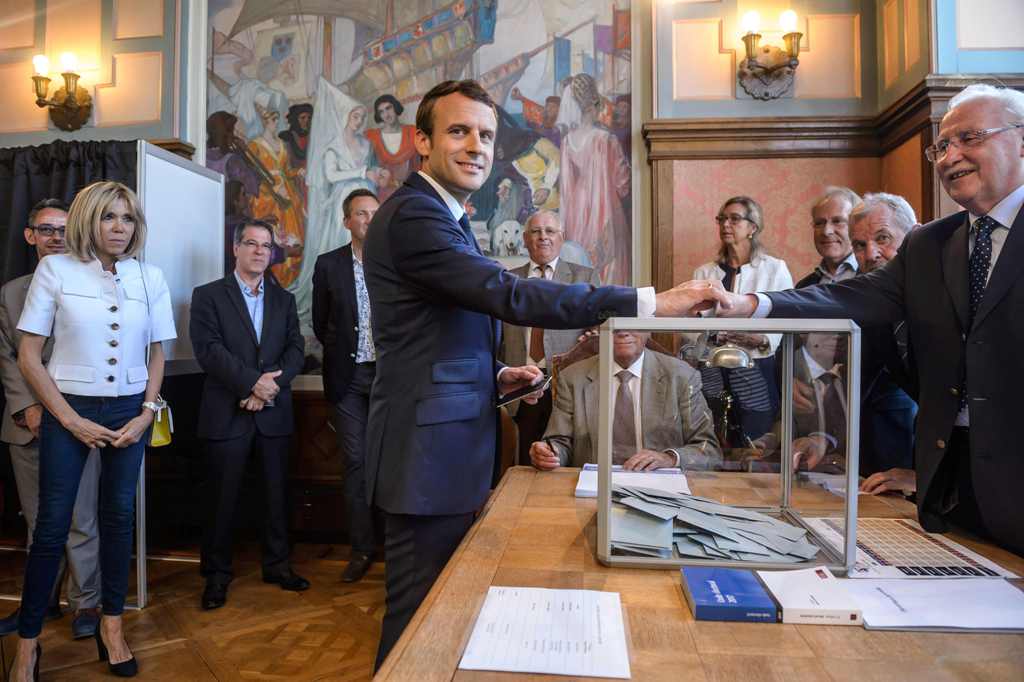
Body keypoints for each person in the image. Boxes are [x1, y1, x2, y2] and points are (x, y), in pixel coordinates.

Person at [362, 79, 727, 669]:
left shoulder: (439, 214)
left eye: (485, 134)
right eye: (458, 131)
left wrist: (494, 375)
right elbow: (506, 294)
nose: (476, 145)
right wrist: (650, 302)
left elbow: (430, 337)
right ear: (422, 143)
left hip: (442, 447)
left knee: (433, 612)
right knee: (417, 619)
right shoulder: (414, 216)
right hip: (425, 458)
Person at [705, 83, 1024, 556]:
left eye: (970, 138)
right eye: (942, 144)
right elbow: (851, 297)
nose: (950, 155)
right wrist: (750, 304)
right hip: (953, 495)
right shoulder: (933, 244)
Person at [10, 181, 176, 679]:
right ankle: (27, 643)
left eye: (126, 218)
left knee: (119, 519)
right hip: (69, 408)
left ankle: (112, 625)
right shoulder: (54, 269)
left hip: (131, 410)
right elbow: (28, 356)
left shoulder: (151, 276)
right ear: (88, 220)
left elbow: (157, 352)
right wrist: (69, 419)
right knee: (51, 527)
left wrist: (147, 412)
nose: (119, 228)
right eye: (108, 217)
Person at [190, 219, 309, 612]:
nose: (260, 251)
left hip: (272, 413)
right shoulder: (208, 296)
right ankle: (217, 577)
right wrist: (251, 384)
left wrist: (269, 386)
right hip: (226, 412)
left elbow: (295, 349)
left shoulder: (284, 300)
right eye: (252, 243)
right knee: (221, 500)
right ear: (235, 248)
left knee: (276, 497)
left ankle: (277, 566)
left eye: (266, 246)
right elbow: (209, 350)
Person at [0, 199, 102, 641]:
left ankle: (86, 606)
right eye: (47, 229)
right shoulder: (11, 292)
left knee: (81, 518)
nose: (56, 237)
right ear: (30, 236)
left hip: (81, 422)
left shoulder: (95, 285)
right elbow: (8, 357)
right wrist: (28, 406)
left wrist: (67, 414)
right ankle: (40, 605)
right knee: (39, 521)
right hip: (27, 425)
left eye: (64, 229)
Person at [312, 189, 381, 583]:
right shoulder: (327, 265)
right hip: (348, 380)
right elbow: (323, 324)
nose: (369, 220)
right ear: (347, 221)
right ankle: (361, 548)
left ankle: (393, 543)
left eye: (374, 213)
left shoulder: (394, 264)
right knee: (355, 463)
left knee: (388, 462)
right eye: (361, 214)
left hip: (389, 379)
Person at [531, 329, 721, 471]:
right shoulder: (573, 377)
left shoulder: (682, 377)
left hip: (660, 488)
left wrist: (670, 459)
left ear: (648, 329)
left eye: (632, 321)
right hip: (593, 490)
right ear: (600, 328)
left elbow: (708, 450)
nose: (622, 331)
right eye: (615, 323)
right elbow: (560, 442)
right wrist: (550, 453)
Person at [498, 211, 600, 464]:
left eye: (550, 231)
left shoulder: (584, 277)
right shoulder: (508, 281)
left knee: (563, 460)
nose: (543, 237)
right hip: (521, 388)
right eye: (535, 232)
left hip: (568, 386)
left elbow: (599, 331)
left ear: (561, 238)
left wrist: (592, 337)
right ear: (524, 239)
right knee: (522, 462)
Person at [692, 196, 794, 443]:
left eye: (735, 219)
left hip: (757, 364)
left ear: (753, 227)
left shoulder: (774, 269)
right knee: (714, 432)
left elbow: (788, 316)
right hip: (712, 366)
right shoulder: (705, 272)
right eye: (722, 219)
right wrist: (711, 334)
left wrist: (761, 338)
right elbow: (691, 324)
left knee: (755, 437)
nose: (726, 225)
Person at [849, 193, 920, 477]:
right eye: (859, 245)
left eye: (883, 238)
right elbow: (859, 388)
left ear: (915, 236)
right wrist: (824, 437)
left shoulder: (950, 294)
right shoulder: (870, 306)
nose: (870, 254)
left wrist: (923, 478)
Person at [557, 73, 632, 284]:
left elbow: (564, 188)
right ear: (592, 106)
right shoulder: (606, 139)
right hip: (604, 207)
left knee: (579, 263)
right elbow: (623, 184)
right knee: (607, 262)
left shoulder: (567, 141)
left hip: (575, 211)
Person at [248, 104, 305, 287]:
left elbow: (286, 170)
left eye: (276, 119)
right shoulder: (254, 145)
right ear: (264, 122)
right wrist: (271, 188)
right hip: (267, 196)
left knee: (291, 233)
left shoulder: (281, 144)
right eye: (272, 120)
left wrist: (297, 172)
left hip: (285, 194)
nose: (275, 123)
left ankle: (288, 277)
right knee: (271, 233)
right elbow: (253, 174)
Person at [795, 187, 862, 288]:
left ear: (858, 226)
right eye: (819, 223)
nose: (826, 231)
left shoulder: (875, 277)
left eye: (837, 221)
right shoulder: (803, 287)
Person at [365, 94, 420, 202]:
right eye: (381, 111)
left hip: (410, 192)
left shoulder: (412, 132)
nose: (386, 114)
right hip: (382, 196)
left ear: (395, 107)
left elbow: (420, 164)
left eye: (388, 108)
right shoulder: (372, 136)